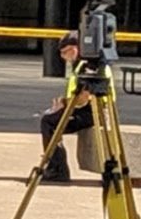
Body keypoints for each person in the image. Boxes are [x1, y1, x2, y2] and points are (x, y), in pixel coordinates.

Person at [39, 30, 114, 182]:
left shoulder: (87, 66)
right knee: (51, 119)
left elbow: (84, 98)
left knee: (48, 122)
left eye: (64, 53)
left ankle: (57, 169)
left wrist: (64, 105)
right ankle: (55, 165)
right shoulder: (86, 63)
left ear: (74, 49)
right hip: (94, 109)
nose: (63, 57)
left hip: (93, 111)